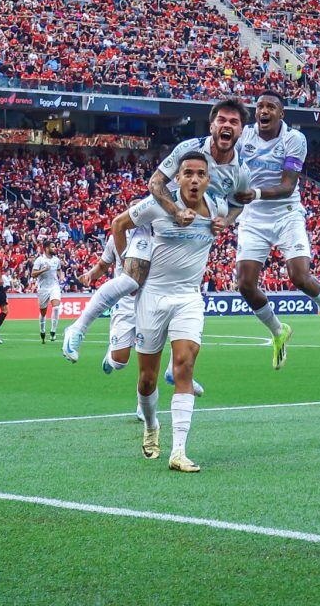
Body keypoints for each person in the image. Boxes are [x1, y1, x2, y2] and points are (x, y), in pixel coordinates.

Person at [63, 98, 254, 364]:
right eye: (221, 120)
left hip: (192, 236)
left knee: (182, 298)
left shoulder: (241, 171)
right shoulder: (189, 148)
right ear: (212, 125)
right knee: (131, 280)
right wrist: (174, 212)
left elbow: (238, 203)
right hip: (158, 222)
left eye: (234, 122)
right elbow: (155, 182)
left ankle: (177, 369)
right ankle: (77, 329)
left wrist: (227, 221)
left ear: (242, 130)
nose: (227, 125)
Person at [110, 151, 226, 472]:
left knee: (184, 366)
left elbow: (229, 216)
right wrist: (126, 268)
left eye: (200, 173)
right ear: (177, 178)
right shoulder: (157, 207)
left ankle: (179, 451)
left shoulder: (217, 208)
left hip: (188, 297)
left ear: (207, 179)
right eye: (187, 172)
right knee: (147, 380)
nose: (193, 178)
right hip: (151, 297)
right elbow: (118, 224)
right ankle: (150, 426)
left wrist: (220, 226)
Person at [236, 92, 320, 369]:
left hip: (286, 213)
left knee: (299, 276)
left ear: (281, 113)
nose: (264, 110)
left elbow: (288, 186)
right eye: (259, 106)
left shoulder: (294, 139)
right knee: (245, 285)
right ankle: (278, 331)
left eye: (271, 106)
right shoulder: (244, 137)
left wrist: (254, 192)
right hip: (253, 217)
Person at [75, 233, 204, 415]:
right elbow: (103, 265)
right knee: (119, 361)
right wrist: (90, 275)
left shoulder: (159, 234)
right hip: (126, 303)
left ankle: (158, 388)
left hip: (151, 299)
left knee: (155, 350)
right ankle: (111, 354)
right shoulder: (116, 237)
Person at [29, 241, 63, 344]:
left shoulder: (56, 260)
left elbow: (59, 270)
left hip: (54, 287)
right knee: (43, 313)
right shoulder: (39, 260)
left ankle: (53, 331)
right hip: (43, 288)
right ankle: (42, 331)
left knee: (56, 307)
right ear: (47, 248)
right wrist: (43, 270)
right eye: (53, 247)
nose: (55, 248)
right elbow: (33, 274)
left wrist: (61, 276)